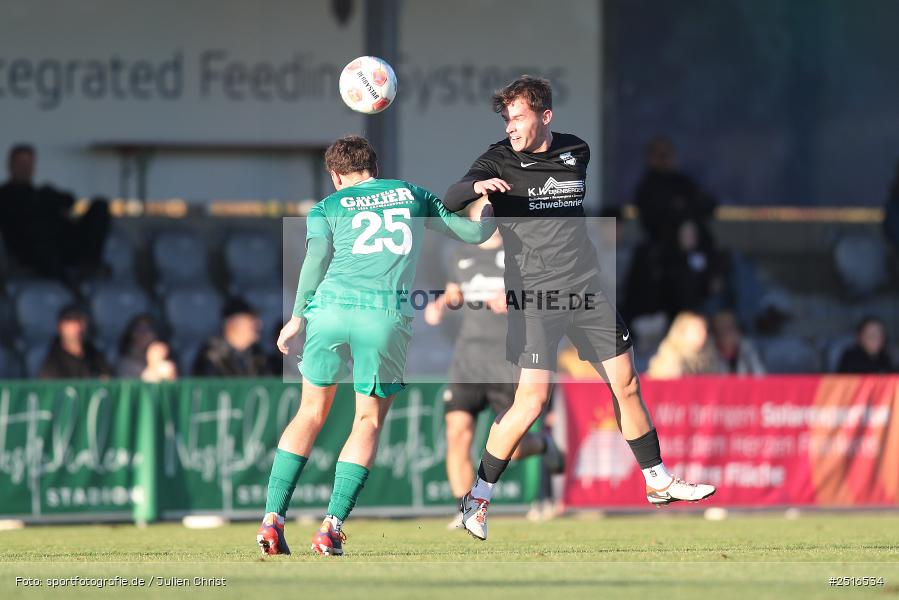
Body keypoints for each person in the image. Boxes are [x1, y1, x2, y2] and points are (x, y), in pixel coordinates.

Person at [443, 75, 715, 541]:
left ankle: (657, 481)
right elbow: (453, 198)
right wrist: (479, 190)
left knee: (627, 383)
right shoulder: (497, 158)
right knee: (530, 403)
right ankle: (477, 499)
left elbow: (550, 196)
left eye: (519, 117)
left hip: (585, 289)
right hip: (534, 296)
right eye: (507, 119)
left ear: (545, 116)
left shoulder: (577, 151)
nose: (511, 126)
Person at [256, 135, 495, 556]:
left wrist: (296, 318)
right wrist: (490, 206)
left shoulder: (325, 208)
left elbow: (315, 261)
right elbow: (473, 234)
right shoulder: (411, 194)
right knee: (366, 420)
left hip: (328, 311)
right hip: (382, 317)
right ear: (374, 166)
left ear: (335, 175)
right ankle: (330, 527)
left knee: (309, 412)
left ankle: (272, 520)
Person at [423, 222, 563, 529]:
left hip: (506, 358)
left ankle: (540, 445)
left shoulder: (519, 253)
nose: (487, 215)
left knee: (508, 445)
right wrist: (441, 305)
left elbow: (544, 293)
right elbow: (456, 290)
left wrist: (513, 297)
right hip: (468, 359)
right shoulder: (460, 254)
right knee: (457, 435)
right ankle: (467, 509)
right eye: (481, 209)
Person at [0, 144, 110, 279]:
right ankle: (68, 280)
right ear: (10, 165)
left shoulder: (43, 192)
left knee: (100, 205)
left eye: (29, 163)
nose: (25, 168)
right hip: (35, 250)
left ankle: (89, 264)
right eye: (21, 163)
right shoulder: (4, 195)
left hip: (65, 242)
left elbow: (69, 201)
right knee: (38, 229)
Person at [633, 136, 716, 248]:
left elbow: (708, 203)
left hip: (697, 247)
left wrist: (684, 209)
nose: (665, 159)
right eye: (660, 155)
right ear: (650, 158)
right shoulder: (647, 188)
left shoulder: (682, 182)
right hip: (663, 250)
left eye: (668, 154)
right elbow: (655, 220)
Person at [192, 298, 272, 377]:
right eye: (251, 319)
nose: (259, 324)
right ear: (232, 323)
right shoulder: (211, 355)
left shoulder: (258, 354)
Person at [39, 304, 112, 379]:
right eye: (70, 321)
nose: (77, 327)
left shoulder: (95, 355)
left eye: (80, 320)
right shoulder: (52, 363)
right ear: (60, 326)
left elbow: (107, 380)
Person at [646, 312, 723, 379]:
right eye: (696, 329)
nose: (703, 333)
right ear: (682, 332)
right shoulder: (670, 353)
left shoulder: (710, 353)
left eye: (704, 329)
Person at [116, 314, 177, 382]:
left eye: (147, 329)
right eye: (138, 329)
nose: (142, 334)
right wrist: (153, 365)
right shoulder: (125, 364)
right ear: (131, 334)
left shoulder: (166, 364)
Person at [710, 310, 765, 376]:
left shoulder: (748, 349)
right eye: (720, 330)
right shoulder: (710, 354)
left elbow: (760, 378)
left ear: (737, 330)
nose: (725, 334)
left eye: (729, 329)